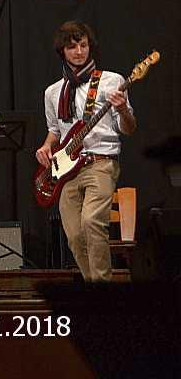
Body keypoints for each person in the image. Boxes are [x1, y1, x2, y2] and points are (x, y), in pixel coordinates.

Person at [36, 21, 136, 282]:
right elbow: (55, 130)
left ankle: (101, 290)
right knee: (74, 235)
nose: (79, 51)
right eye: (72, 47)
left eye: (83, 45)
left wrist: (122, 109)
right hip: (67, 171)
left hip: (100, 163)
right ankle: (94, 288)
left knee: (92, 222)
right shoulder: (52, 92)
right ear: (62, 51)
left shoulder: (111, 81)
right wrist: (46, 146)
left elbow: (128, 128)